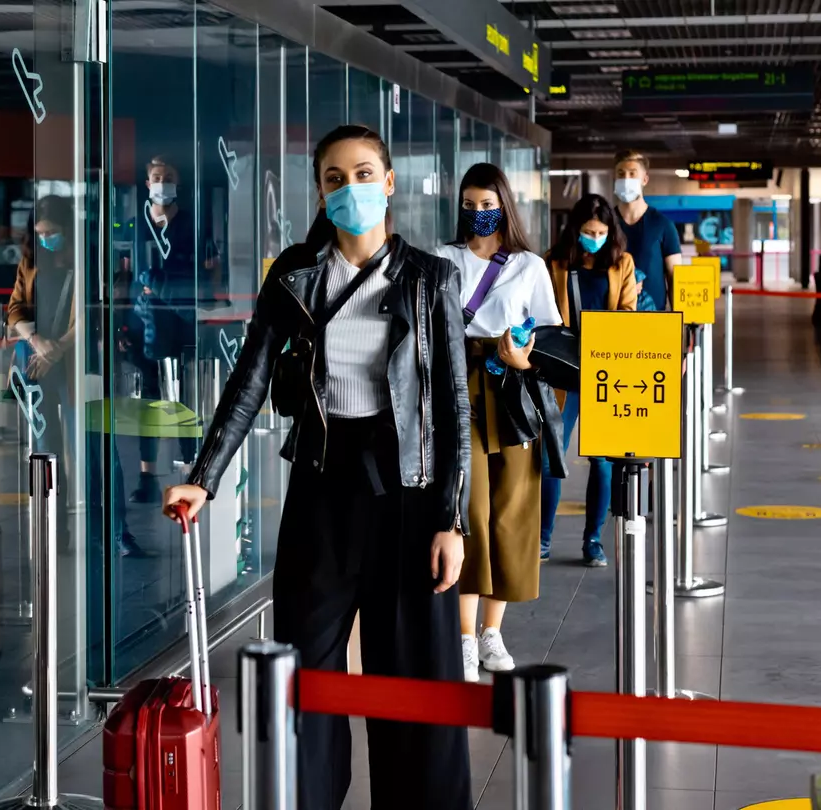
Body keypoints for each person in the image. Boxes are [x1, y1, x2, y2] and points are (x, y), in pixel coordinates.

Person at [163, 124, 473, 809]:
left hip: (410, 494)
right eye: (335, 178)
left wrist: (453, 521)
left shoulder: (431, 279)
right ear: (320, 191)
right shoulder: (296, 275)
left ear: (388, 183)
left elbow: (455, 407)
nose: (350, 189)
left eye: (363, 174)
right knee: (306, 668)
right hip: (321, 488)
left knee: (414, 674)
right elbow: (249, 380)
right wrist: (204, 477)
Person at [433, 163, 562, 680]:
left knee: (510, 510)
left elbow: (550, 338)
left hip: (511, 391)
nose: (479, 213)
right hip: (458, 385)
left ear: (504, 205)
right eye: (470, 205)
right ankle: (464, 638)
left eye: (488, 205)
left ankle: (491, 632)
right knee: (469, 509)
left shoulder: (529, 266)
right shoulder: (443, 259)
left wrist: (523, 361)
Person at [5, 196, 146, 558]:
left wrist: (58, 349)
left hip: (79, 365)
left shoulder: (89, 260)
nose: (46, 239)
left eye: (52, 232)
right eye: (40, 233)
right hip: (38, 367)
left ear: (68, 228)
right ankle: (54, 531)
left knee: (96, 450)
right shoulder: (30, 261)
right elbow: (16, 308)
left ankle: (114, 532)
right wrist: (38, 343)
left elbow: (94, 311)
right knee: (45, 450)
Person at [540, 194, 638, 567]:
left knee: (601, 461)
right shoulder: (554, 262)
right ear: (575, 230)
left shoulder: (622, 263)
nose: (594, 238)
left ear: (610, 231)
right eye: (587, 232)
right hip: (562, 370)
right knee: (550, 458)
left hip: (603, 373)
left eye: (600, 232)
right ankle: (542, 538)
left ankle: (593, 540)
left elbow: (628, 312)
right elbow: (544, 311)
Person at [124, 156, 218, 503]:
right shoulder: (136, 226)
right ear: (147, 183)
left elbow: (208, 272)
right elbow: (126, 274)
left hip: (182, 321)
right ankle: (147, 476)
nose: (162, 182)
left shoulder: (192, 226)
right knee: (149, 400)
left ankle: (191, 467)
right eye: (157, 176)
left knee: (187, 397)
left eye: (168, 176)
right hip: (145, 324)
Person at [612, 149, 682, 310]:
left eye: (632, 174)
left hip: (653, 315)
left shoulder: (663, 225)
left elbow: (674, 277)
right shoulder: (606, 225)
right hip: (612, 314)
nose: (626, 179)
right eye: (621, 174)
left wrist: (679, 317)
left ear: (644, 179)